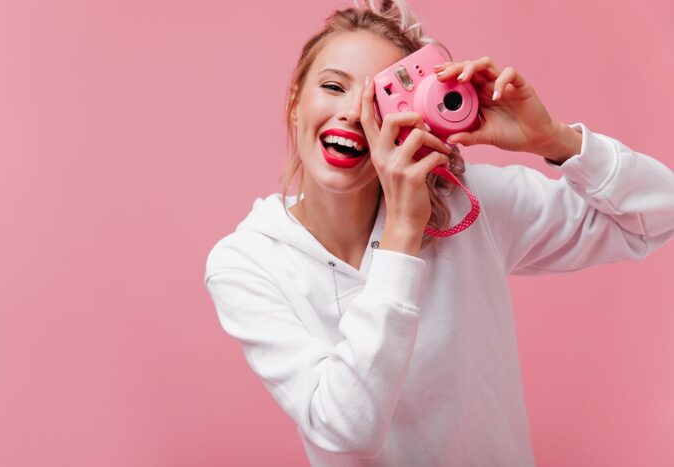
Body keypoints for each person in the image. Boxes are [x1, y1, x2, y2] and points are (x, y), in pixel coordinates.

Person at [203, 0, 674, 465]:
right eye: (333, 86)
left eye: (378, 100)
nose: (352, 113)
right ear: (293, 104)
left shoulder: (465, 206)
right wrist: (403, 235)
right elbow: (349, 428)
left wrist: (553, 139)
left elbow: (658, 213)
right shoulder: (245, 263)